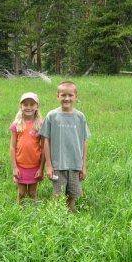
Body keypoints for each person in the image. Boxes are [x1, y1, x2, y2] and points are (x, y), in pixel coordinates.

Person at [39, 81, 90, 212]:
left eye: (70, 95)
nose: (66, 98)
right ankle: (55, 218)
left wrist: (83, 165)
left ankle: (70, 216)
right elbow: (46, 140)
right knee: (57, 196)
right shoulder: (52, 116)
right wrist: (48, 165)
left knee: (72, 195)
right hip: (58, 165)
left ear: (76, 96)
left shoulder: (80, 117)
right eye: (63, 95)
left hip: (75, 165)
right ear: (58, 96)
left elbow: (84, 141)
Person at [9, 92, 44, 203]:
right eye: (25, 104)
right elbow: (12, 147)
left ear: (37, 106)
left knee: (33, 193)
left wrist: (41, 168)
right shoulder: (17, 124)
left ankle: (34, 214)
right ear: (21, 106)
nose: (28, 107)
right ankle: (18, 212)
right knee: (22, 193)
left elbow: (44, 148)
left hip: (35, 166)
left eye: (32, 104)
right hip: (20, 166)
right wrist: (14, 167)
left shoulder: (40, 125)